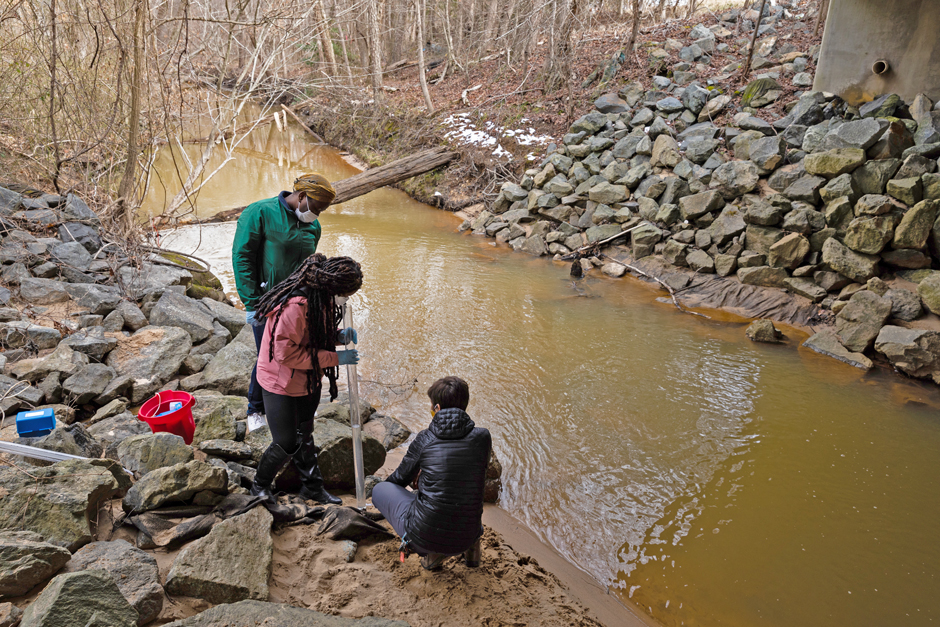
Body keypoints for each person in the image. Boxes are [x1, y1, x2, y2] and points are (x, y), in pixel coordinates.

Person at [248, 253, 362, 505]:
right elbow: (285, 353)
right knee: (286, 441)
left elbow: (314, 334)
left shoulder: (321, 300)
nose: (345, 300)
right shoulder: (295, 306)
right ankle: (259, 485)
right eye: (346, 294)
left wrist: (339, 336)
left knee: (305, 432)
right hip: (279, 380)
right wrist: (336, 358)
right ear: (331, 288)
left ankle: (312, 487)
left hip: (307, 378)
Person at [232, 173, 336, 432]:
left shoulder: (313, 226)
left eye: (322, 210)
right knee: (266, 355)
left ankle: (287, 403)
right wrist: (252, 302)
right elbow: (242, 257)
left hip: (297, 305)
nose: (318, 215)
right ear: (301, 197)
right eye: (317, 208)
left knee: (294, 352)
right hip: (266, 303)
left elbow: (310, 266)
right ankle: (255, 408)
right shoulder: (259, 213)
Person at [372, 376, 492, 571]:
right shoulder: (483, 437)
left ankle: (435, 553)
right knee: (466, 490)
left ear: (436, 408)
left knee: (380, 489)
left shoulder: (425, 438)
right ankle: (472, 551)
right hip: (469, 532)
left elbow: (399, 480)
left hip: (425, 538)